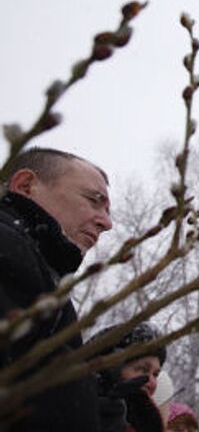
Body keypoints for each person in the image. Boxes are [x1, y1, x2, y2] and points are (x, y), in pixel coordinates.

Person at [0, 147, 112, 431]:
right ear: (25, 186)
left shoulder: (40, 275)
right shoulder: (10, 253)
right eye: (93, 201)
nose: (107, 223)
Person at [88, 322, 167, 432]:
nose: (152, 382)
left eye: (155, 374)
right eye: (143, 369)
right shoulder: (74, 410)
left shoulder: (146, 421)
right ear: (111, 369)